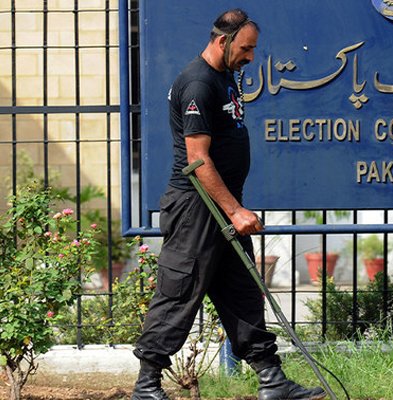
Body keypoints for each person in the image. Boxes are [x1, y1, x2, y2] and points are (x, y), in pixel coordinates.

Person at [131, 9, 326, 400]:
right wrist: (235, 211)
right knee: (179, 291)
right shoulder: (198, 84)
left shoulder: (224, 78)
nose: (251, 57)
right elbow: (196, 159)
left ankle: (272, 381)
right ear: (223, 41)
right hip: (197, 209)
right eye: (247, 49)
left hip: (221, 205)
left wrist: (233, 207)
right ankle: (146, 385)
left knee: (243, 291)